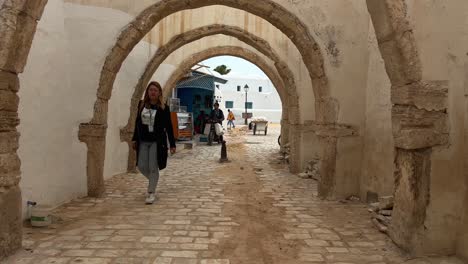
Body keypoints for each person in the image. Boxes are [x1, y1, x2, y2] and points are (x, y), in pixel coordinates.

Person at [132, 81, 176, 204]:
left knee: (152, 166)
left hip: (157, 141)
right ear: (147, 92)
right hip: (143, 140)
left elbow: (169, 127)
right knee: (141, 165)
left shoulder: (163, 108)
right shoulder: (141, 105)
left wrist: (172, 144)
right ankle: (154, 179)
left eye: (155, 90)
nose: (152, 92)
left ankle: (151, 192)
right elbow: (137, 123)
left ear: (159, 93)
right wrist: (134, 138)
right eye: (151, 89)